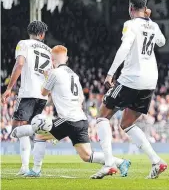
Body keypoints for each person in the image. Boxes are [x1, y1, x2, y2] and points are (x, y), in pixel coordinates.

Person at [11, 45, 131, 177]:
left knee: (40, 134)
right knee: (86, 155)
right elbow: (80, 98)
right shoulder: (74, 75)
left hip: (68, 119)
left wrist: (46, 76)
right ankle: (121, 162)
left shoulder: (54, 73)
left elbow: (43, 92)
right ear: (66, 58)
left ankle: (36, 169)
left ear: (51, 59)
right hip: (81, 119)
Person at [92, 0, 167, 179]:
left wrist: (110, 73)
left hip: (132, 78)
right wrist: (149, 21)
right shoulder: (153, 25)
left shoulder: (130, 24)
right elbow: (162, 41)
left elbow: (125, 48)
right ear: (146, 8)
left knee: (102, 117)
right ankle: (156, 161)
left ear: (130, 8)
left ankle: (108, 164)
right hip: (150, 80)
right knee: (126, 123)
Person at [2, 21, 51, 175]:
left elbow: (20, 63)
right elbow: (51, 73)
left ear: (29, 32)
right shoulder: (49, 50)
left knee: (17, 129)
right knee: (29, 129)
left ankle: (50, 130)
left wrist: (9, 88)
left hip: (28, 92)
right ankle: (28, 168)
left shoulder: (23, 43)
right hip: (42, 95)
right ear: (42, 35)